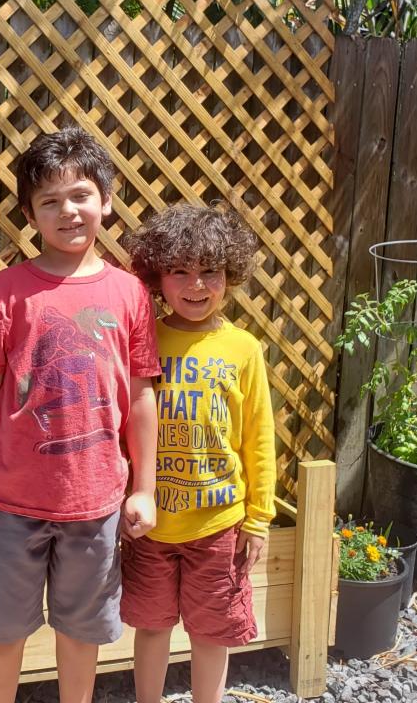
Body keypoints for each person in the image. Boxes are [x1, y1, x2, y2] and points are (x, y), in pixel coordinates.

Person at [0, 126, 160, 703]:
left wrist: (145, 488)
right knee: (1, 632)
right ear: (30, 213)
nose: (68, 211)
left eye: (81, 195)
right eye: (50, 201)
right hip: (10, 505)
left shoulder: (129, 295)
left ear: (107, 200)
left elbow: (141, 397)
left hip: (94, 503)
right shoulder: (6, 292)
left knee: (81, 632)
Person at [119, 203, 276, 703]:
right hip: (150, 525)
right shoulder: (141, 338)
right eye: (180, 271)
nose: (197, 284)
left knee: (212, 633)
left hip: (219, 526)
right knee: (152, 628)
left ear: (230, 274)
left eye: (210, 271)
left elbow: (259, 438)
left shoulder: (244, 348)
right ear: (156, 276)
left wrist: (258, 519)